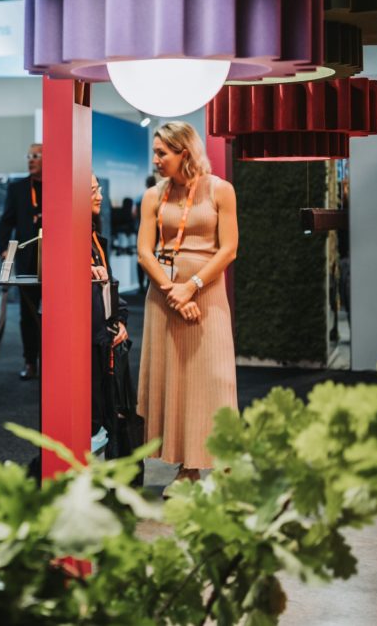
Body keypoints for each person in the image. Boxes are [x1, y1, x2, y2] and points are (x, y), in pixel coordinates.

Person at [136, 121, 238, 483]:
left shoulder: (220, 190)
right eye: (155, 152)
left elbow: (229, 249)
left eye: (162, 153)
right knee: (174, 382)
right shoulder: (154, 195)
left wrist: (191, 286)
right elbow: (145, 253)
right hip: (164, 298)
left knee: (213, 379)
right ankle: (185, 468)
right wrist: (174, 293)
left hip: (207, 296)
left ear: (185, 153)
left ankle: (223, 460)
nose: (156, 159)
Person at [90, 174, 129, 453]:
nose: (100, 195)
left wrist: (121, 320)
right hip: (91, 341)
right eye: (93, 190)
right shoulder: (68, 238)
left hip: (105, 338)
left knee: (108, 413)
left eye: (99, 188)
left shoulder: (93, 235)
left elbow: (110, 289)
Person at [0, 143, 43, 380]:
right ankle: (29, 361)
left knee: (56, 315)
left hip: (56, 262)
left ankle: (53, 361)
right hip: (26, 260)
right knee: (27, 313)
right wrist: (4, 249)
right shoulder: (18, 189)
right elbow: (6, 221)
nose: (31, 160)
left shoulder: (59, 185)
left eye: (36, 155)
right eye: (29, 156)